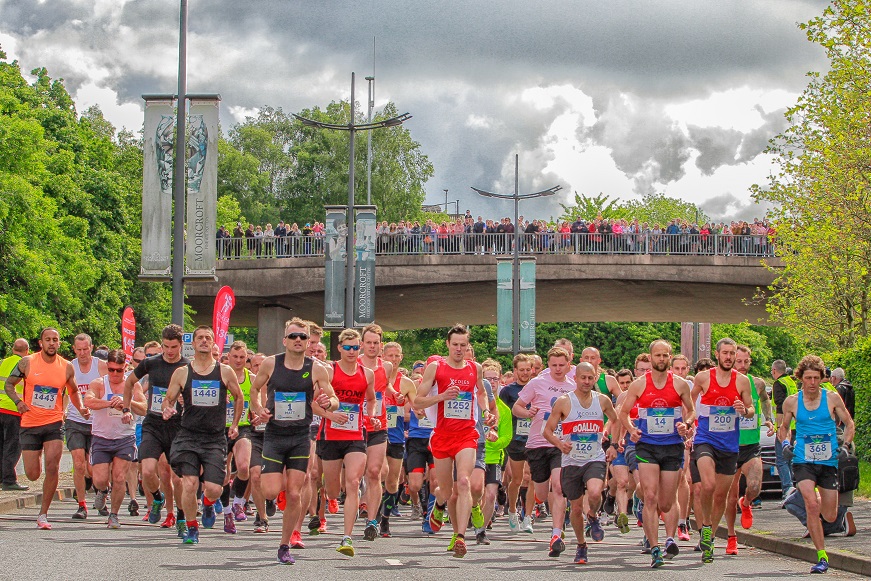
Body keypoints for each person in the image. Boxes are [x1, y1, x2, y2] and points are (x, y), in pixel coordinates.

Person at [249, 318, 339, 565]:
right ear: (284, 340)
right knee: (269, 488)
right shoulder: (271, 363)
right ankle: (272, 496)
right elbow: (254, 391)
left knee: (295, 491)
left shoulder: (317, 368)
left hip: (300, 436)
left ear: (308, 341)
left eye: (302, 337)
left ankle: (284, 544)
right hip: (275, 434)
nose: (298, 340)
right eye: (293, 336)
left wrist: (328, 403)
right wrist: (258, 409)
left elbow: (333, 398)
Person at [415, 324, 493, 558]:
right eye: (455, 344)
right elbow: (418, 401)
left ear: (468, 346)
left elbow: (480, 392)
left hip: (467, 434)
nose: (459, 349)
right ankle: (439, 504)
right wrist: (441, 396)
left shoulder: (474, 368)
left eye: (463, 345)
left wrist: (486, 410)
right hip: (441, 435)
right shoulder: (435, 368)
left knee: (465, 482)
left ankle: (460, 536)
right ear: (448, 345)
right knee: (446, 490)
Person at [162, 326, 244, 545]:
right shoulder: (182, 372)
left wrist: (234, 424)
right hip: (188, 436)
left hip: (214, 437)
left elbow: (239, 397)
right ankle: (191, 528)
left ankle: (208, 503)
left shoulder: (224, 371)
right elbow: (168, 399)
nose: (204, 341)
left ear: (213, 342)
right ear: (194, 343)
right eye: (200, 338)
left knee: (215, 489)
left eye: (208, 338)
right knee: (189, 483)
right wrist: (167, 408)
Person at [3, 328, 90, 529]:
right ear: (41, 342)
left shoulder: (66, 366)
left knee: (53, 466)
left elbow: (74, 391)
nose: (51, 343)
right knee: (33, 473)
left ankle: (43, 514)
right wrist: (18, 402)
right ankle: (38, 456)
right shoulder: (27, 362)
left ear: (59, 343)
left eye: (55, 340)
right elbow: (9, 384)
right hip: (30, 423)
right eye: (48, 340)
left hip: (54, 423)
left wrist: (81, 408)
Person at [619, 340, 695, 567]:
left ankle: (670, 537)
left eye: (665, 355)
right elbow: (623, 413)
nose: (661, 359)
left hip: (672, 446)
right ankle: (655, 548)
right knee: (651, 496)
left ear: (670, 357)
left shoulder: (680, 385)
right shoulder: (639, 385)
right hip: (647, 446)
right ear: (650, 358)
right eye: (657, 355)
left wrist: (686, 424)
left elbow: (690, 410)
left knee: (666, 502)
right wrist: (632, 429)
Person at [779, 355, 855, 574]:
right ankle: (822, 556)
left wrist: (846, 446)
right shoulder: (792, 401)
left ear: (822, 379)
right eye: (807, 378)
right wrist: (785, 443)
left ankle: (825, 503)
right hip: (803, 460)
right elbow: (783, 427)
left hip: (828, 460)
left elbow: (849, 423)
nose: (812, 382)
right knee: (811, 505)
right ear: (800, 378)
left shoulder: (832, 398)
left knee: (830, 515)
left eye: (816, 378)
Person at [543, 362, 619, 564]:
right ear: (575, 378)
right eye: (583, 377)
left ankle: (593, 515)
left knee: (595, 492)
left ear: (595, 379)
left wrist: (612, 442)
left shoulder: (602, 400)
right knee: (575, 508)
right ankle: (581, 545)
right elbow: (547, 431)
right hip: (571, 461)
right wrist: (560, 444)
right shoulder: (563, 402)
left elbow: (616, 419)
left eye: (590, 378)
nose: (586, 381)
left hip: (594, 457)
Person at [690, 337, 755, 564]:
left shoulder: (742, 381)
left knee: (721, 495)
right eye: (725, 353)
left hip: (729, 444)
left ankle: (709, 534)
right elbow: (689, 402)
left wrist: (743, 409)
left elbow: (751, 410)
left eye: (732, 353)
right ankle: (706, 526)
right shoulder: (703, 378)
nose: (729, 357)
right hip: (706, 440)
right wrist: (690, 421)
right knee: (707, 485)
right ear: (717, 355)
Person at [316, 328, 378, 557]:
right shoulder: (328, 370)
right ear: (340, 348)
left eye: (355, 347)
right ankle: (328, 496)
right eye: (347, 347)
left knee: (353, 483)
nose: (352, 351)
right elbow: (312, 404)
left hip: (355, 435)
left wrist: (371, 415)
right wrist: (331, 416)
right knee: (333, 491)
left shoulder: (367, 374)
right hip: (330, 435)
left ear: (360, 348)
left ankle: (347, 536)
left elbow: (371, 399)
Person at [123, 324, 189, 536]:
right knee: (148, 470)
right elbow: (129, 382)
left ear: (181, 345)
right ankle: (157, 498)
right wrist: (126, 407)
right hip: (153, 422)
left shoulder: (188, 366)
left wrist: (184, 401)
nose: (169, 351)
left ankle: (180, 515)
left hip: (177, 426)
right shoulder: (151, 363)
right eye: (166, 346)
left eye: (174, 347)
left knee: (178, 478)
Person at [511, 346, 577, 558]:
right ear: (548, 365)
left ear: (568, 365)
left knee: (558, 487)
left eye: (561, 365)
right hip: (537, 443)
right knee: (541, 493)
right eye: (554, 365)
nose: (558, 369)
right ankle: (540, 504)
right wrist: (527, 412)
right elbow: (516, 407)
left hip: (560, 444)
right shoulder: (537, 382)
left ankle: (556, 535)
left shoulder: (573, 387)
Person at [83, 349, 147, 529]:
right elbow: (88, 402)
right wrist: (110, 403)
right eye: (111, 370)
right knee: (100, 478)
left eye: (119, 370)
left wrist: (126, 403)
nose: (115, 374)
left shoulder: (133, 385)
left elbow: (143, 408)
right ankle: (103, 490)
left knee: (119, 477)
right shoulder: (99, 384)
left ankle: (114, 515)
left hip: (124, 437)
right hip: (101, 437)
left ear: (125, 368)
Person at [723, 344, 774, 555]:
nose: (742, 366)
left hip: (751, 444)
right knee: (730, 495)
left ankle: (748, 502)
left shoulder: (758, 383)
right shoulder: (725, 383)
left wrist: (769, 420)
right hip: (729, 444)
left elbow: (764, 400)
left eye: (746, 362)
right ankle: (731, 537)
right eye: (738, 362)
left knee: (754, 486)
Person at [357, 324, 393, 542]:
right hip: (355, 425)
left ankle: (372, 521)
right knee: (352, 477)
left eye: (376, 343)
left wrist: (396, 394)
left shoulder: (386, 366)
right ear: (362, 344)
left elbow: (384, 388)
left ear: (380, 345)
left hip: (379, 425)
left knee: (374, 472)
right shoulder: (355, 363)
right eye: (368, 342)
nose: (372, 346)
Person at [378, 342, 417, 538]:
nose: (393, 359)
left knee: (392, 481)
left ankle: (385, 517)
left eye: (396, 356)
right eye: (389, 356)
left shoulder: (406, 383)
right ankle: (374, 517)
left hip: (396, 435)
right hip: (376, 433)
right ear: (382, 357)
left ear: (401, 357)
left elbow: (418, 408)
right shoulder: (374, 377)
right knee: (377, 474)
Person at [67, 333, 108, 519]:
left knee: (95, 467)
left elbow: (110, 390)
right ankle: (81, 505)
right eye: (79, 350)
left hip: (96, 421)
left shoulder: (100, 366)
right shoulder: (69, 367)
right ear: (74, 349)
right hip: (75, 419)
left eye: (85, 349)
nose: (82, 353)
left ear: (91, 348)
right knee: (78, 462)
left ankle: (102, 493)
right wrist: (62, 411)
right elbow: (62, 391)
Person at [498, 354, 537, 534]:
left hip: (534, 439)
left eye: (528, 370)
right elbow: (501, 415)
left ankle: (528, 516)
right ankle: (512, 511)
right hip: (515, 440)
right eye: (521, 370)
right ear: (515, 371)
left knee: (532, 478)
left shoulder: (537, 387)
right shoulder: (508, 391)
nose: (525, 373)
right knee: (517, 479)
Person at [0, 338, 29, 491]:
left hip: (0, 407)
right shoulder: (24, 364)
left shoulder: (3, 362)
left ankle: (2, 477)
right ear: (27, 350)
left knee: (1, 445)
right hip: (14, 408)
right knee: (12, 445)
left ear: (13, 349)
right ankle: (9, 480)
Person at [771, 359, 797, 498]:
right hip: (794, 426)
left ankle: (788, 489)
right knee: (791, 458)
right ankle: (796, 487)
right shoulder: (791, 382)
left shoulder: (778, 383)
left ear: (774, 371)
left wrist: (780, 428)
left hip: (785, 427)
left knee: (781, 460)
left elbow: (780, 406)